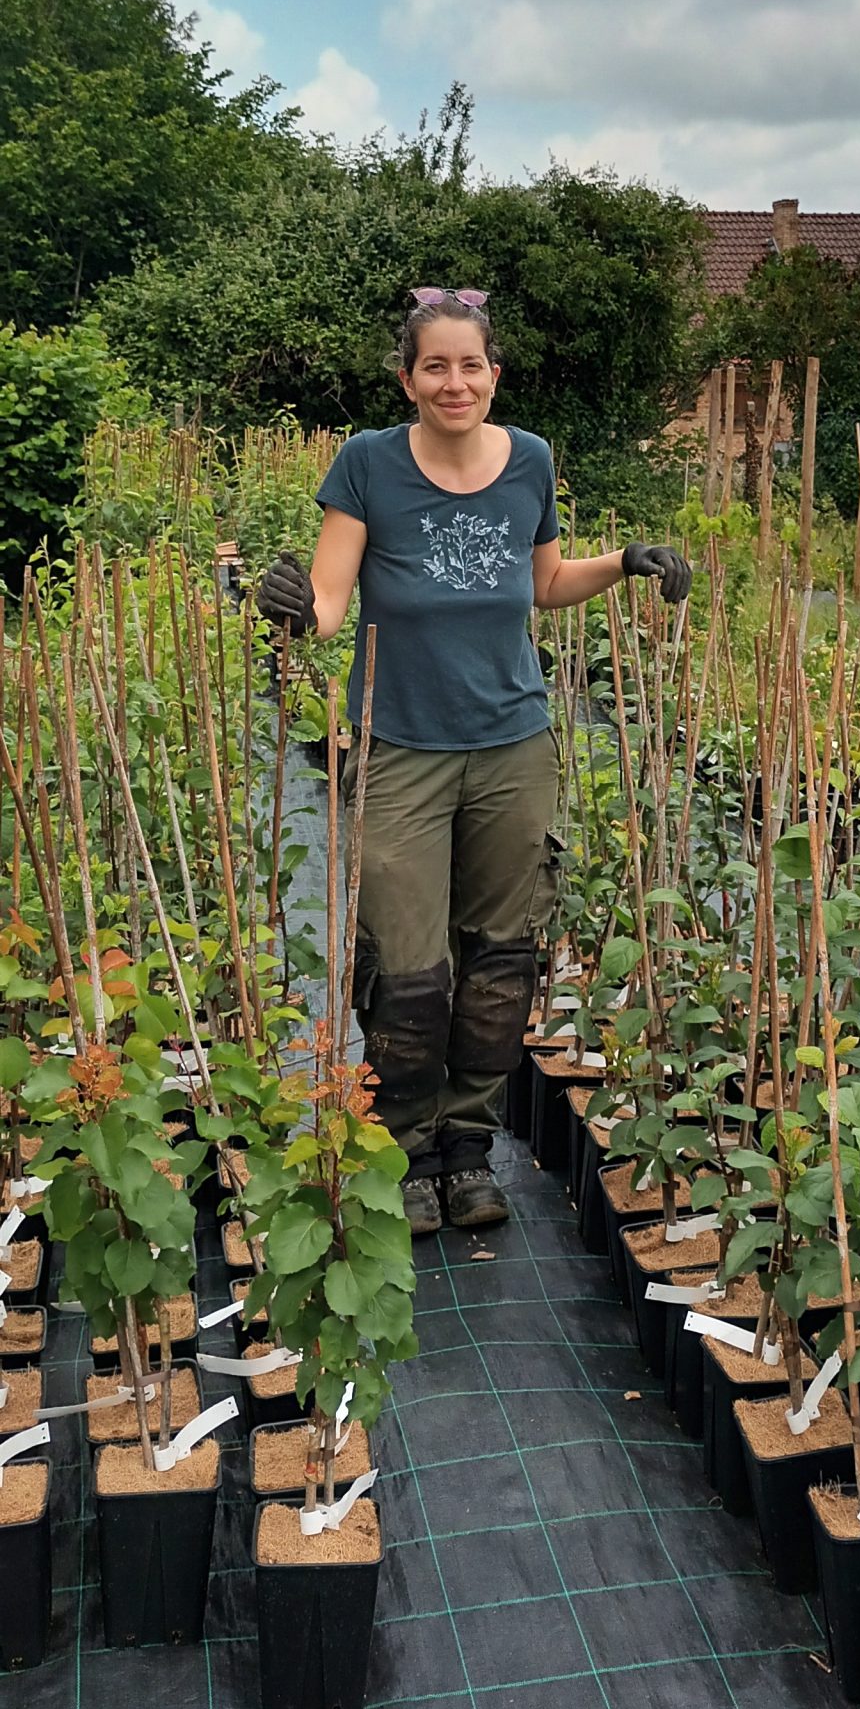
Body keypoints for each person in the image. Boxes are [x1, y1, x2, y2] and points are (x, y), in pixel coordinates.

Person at [256, 287, 691, 1235]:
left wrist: (625, 561)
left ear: (494, 373)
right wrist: (292, 610)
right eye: (435, 366)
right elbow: (330, 602)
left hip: (512, 746)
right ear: (408, 378)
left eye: (472, 365)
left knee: (500, 962)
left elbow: (543, 585)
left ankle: (468, 1151)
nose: (456, 382)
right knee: (409, 970)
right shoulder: (368, 465)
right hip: (402, 748)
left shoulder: (528, 459)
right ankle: (406, 1150)